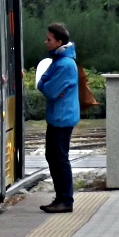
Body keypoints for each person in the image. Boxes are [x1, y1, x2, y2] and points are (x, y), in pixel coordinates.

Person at [36, 23, 80, 213]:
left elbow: (49, 90)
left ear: (59, 42)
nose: (46, 42)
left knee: (59, 157)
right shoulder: (58, 61)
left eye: (49, 39)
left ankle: (65, 199)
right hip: (58, 116)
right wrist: (46, 84)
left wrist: (46, 85)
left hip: (62, 118)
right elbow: (41, 82)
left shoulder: (64, 64)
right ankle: (61, 197)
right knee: (53, 156)